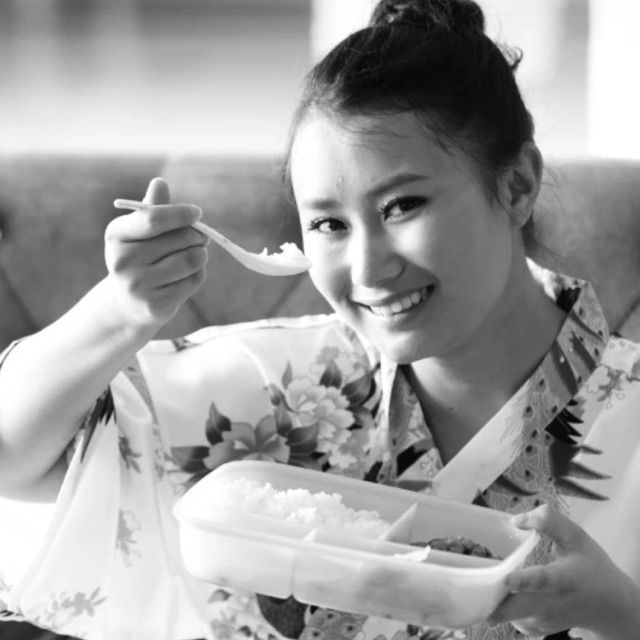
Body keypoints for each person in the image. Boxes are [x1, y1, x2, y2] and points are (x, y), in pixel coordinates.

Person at [0, 0, 639, 638]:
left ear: (517, 186)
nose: (367, 269)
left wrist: (621, 612)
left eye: (402, 205)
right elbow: (11, 459)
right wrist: (118, 313)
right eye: (330, 224)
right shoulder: (282, 388)